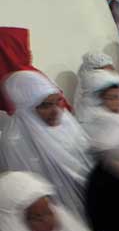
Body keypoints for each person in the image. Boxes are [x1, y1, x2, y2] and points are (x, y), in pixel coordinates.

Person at [0, 70, 93, 217]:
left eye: (58, 101)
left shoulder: (67, 122)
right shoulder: (15, 142)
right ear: (27, 108)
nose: (56, 111)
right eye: (45, 105)